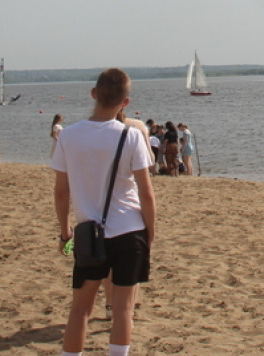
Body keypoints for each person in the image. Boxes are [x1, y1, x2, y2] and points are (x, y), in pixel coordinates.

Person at [52, 68, 155, 356]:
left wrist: (64, 232)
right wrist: (151, 232)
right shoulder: (132, 136)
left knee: (80, 309)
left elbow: (62, 192)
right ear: (125, 102)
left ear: (94, 94)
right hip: (130, 230)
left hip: (88, 233)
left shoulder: (68, 136)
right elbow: (146, 193)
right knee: (123, 308)